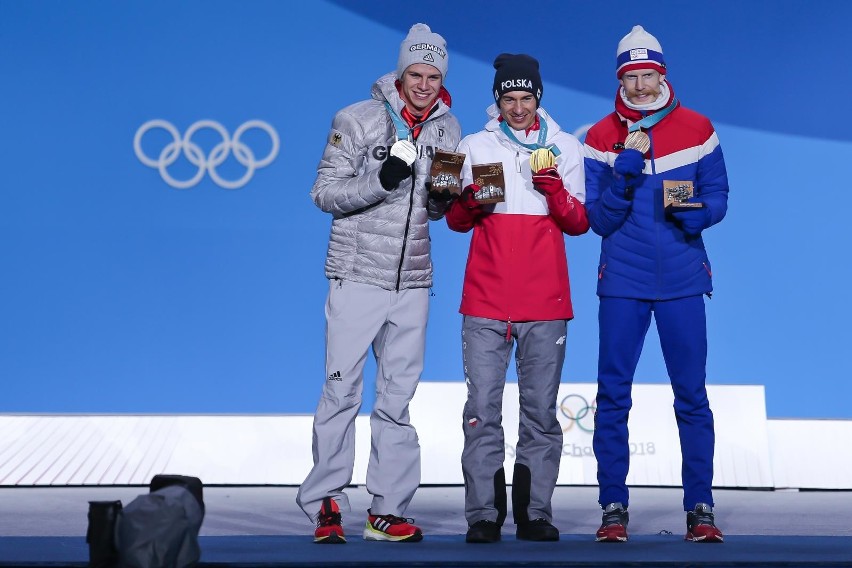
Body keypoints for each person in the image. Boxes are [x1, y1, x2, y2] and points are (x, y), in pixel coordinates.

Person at [296, 23, 461, 544]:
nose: (424, 84)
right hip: (358, 275)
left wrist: (449, 195)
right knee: (341, 390)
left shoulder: (448, 129)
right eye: (416, 73)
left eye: (433, 76)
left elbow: (434, 208)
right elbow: (324, 193)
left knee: (397, 399)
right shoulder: (358, 118)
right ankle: (326, 503)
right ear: (399, 71)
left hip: (412, 281)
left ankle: (386, 510)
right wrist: (383, 178)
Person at [583, 25, 729, 543]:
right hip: (623, 279)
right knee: (613, 397)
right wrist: (622, 176)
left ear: (662, 74)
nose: (642, 85)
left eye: (649, 74)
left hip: (684, 281)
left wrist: (699, 215)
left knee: (691, 396)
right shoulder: (601, 136)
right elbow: (597, 220)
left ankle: (701, 509)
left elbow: (719, 196)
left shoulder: (697, 127)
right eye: (632, 76)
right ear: (620, 79)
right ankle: (612, 508)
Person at [445, 53, 589, 544]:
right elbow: (456, 221)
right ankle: (484, 515)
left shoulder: (565, 146)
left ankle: (535, 514)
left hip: (545, 303)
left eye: (526, 98)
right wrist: (470, 201)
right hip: (485, 300)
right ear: (498, 100)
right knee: (482, 410)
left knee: (541, 413)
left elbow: (577, 223)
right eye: (509, 98)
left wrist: (553, 190)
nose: (519, 108)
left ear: (539, 98)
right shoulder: (473, 145)